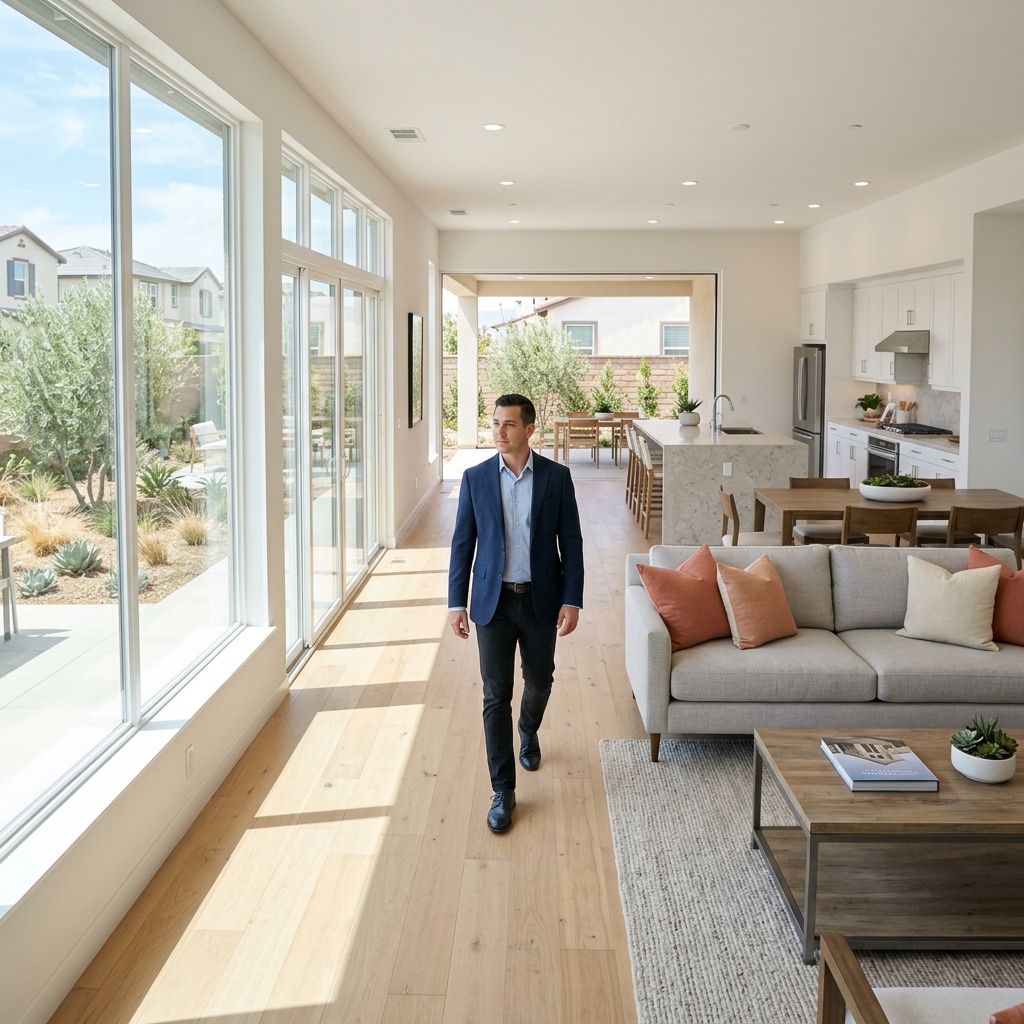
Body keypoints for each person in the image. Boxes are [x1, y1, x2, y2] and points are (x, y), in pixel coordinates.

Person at [448, 394, 584, 833]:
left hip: (541, 597)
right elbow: (462, 544)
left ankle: (528, 729)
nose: (499, 432)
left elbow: (573, 543)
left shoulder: (557, 479)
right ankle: (502, 790)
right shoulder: (475, 479)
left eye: (508, 425)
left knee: (540, 680)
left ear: (529, 429)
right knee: (495, 694)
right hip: (493, 600)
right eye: (495, 424)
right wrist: (457, 602)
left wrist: (572, 597)